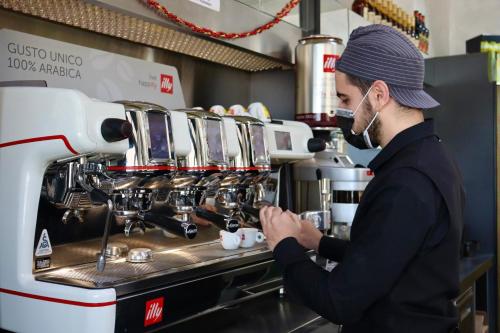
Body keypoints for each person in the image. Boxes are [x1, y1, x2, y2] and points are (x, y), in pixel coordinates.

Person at [259, 24, 465, 333]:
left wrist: (283, 245)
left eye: (344, 99)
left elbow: (339, 302)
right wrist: (319, 242)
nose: (340, 111)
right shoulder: (428, 157)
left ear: (379, 94)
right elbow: (387, 257)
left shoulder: (407, 181)